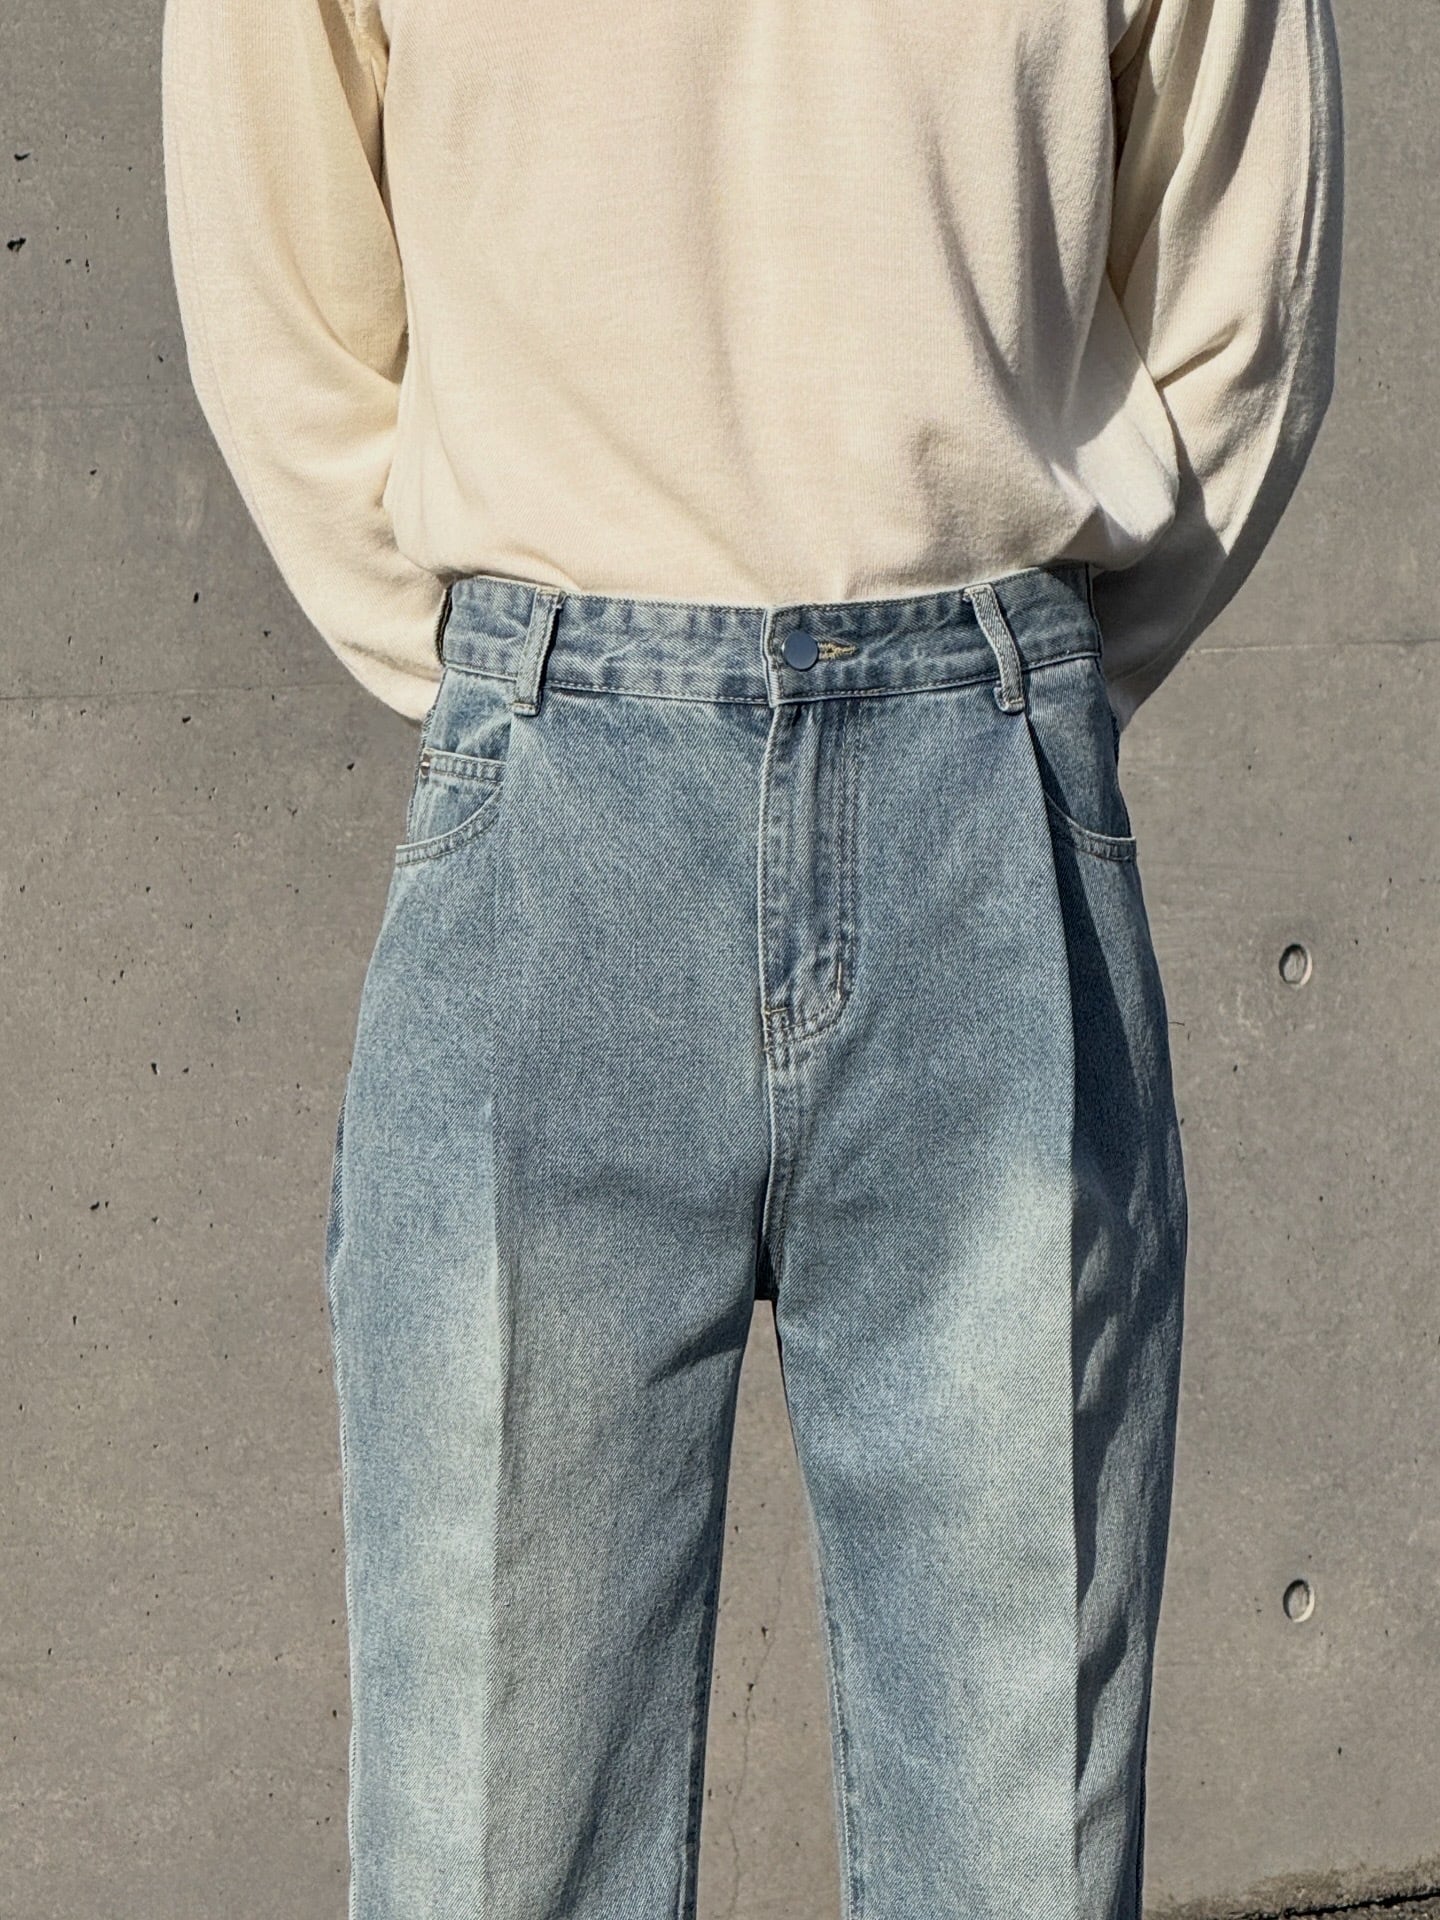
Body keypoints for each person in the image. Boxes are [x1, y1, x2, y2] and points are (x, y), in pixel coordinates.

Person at [160, 1, 1343, 1914]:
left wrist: (1019, 707)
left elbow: (1243, 303)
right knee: (496, 1843)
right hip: (562, 804)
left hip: (978, 798)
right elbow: (277, 286)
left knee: (1016, 1846)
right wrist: (505, 693)